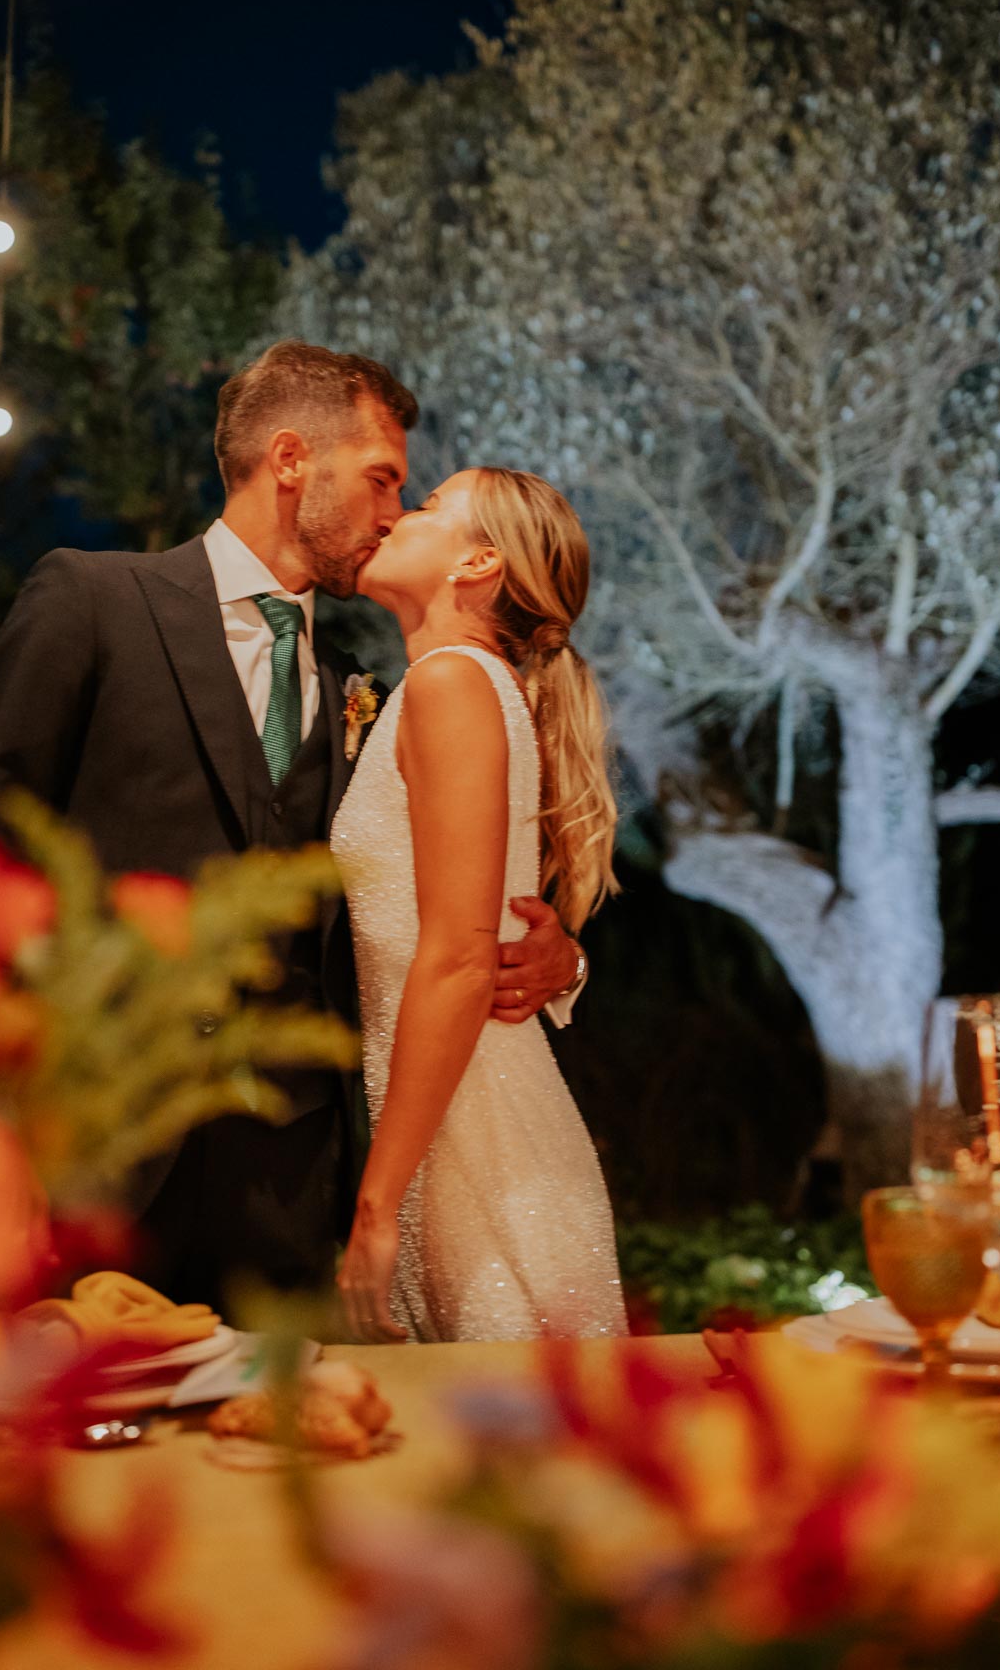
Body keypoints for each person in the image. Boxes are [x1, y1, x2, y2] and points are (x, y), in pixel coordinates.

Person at [0, 342, 584, 1310]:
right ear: (291, 460)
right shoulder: (91, 601)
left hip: (291, 1196)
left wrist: (559, 958)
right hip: (92, 1167)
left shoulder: (363, 696)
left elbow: (435, 901)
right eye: (381, 480)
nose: (388, 512)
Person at [331, 466, 628, 1341]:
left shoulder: (451, 684)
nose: (395, 517)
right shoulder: (464, 686)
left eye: (424, 507)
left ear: (477, 564)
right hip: (451, 1126)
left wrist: (376, 1208)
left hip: (482, 1144)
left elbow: (461, 957)